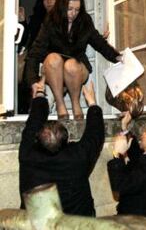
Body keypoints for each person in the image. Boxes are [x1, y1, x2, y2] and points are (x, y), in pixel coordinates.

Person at [25, 0, 121, 120]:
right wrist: (33, 80)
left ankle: (76, 103)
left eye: (77, 10)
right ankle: (60, 104)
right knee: (53, 58)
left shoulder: (85, 20)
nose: (73, 13)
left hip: (78, 65)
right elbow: (35, 52)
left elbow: (99, 43)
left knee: (70, 65)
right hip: (54, 68)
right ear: (61, 7)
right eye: (70, 9)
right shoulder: (51, 21)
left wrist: (117, 57)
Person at [19, 78, 104, 216]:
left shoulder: (28, 155)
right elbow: (95, 135)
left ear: (37, 139)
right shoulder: (77, 157)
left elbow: (33, 123)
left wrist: (40, 93)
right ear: (67, 141)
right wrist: (92, 103)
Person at [17, 0, 59, 114]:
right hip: (35, 60)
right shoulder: (36, 19)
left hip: (53, 61)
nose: (49, 1)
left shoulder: (62, 19)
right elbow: (25, 40)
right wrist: (23, 22)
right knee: (30, 85)